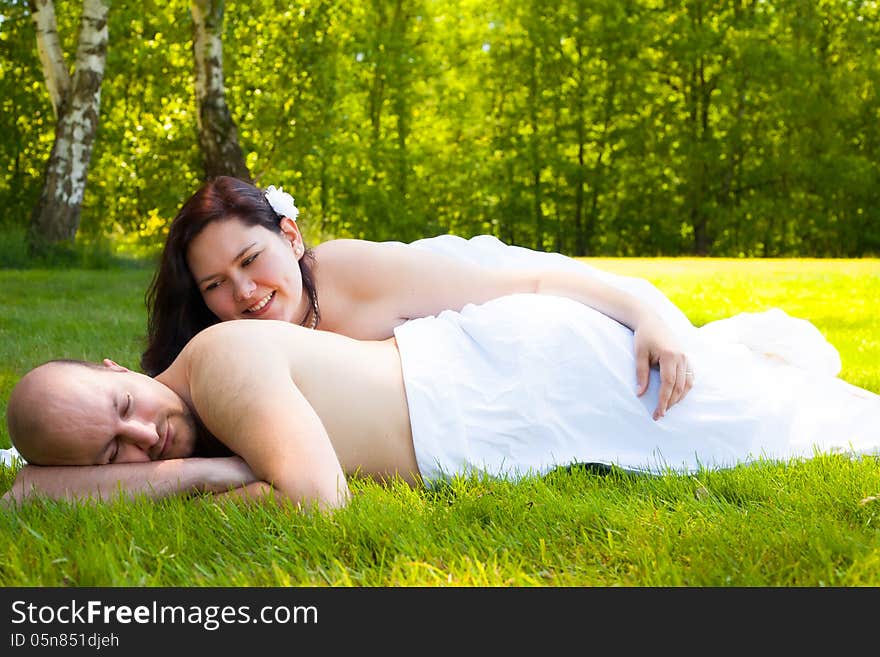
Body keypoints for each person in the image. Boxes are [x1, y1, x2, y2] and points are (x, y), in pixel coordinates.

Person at [5, 292, 879, 509]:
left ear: (126, 362)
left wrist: (199, 474)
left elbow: (317, 501)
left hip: (530, 378)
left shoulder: (222, 362)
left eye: (123, 398)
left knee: (805, 425)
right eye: (112, 453)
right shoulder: (197, 392)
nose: (144, 434)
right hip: (494, 395)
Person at [142, 176, 695, 421]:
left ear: (290, 237)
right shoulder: (218, 345)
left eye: (249, 260)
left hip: (510, 318)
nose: (243, 293)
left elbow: (528, 284)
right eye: (215, 284)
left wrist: (647, 313)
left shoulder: (355, 271)